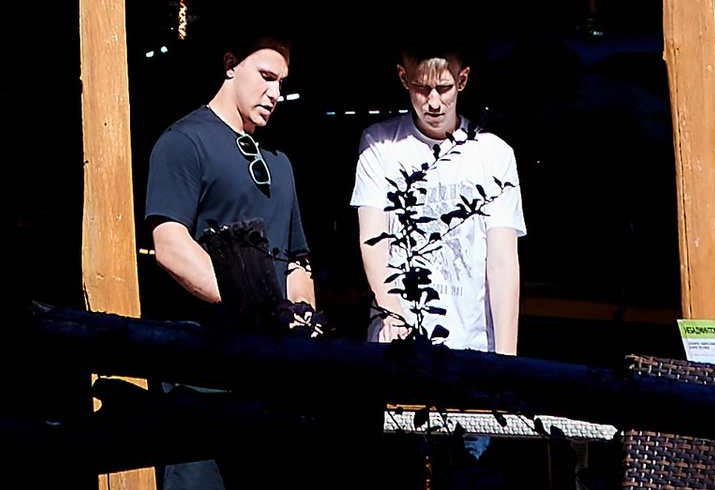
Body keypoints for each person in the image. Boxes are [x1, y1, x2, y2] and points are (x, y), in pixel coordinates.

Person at [143, 31, 318, 490]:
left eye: (282, 82)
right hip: (200, 374)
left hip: (271, 379)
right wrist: (252, 307)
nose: (275, 93)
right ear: (230, 64)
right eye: (266, 76)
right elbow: (170, 246)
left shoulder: (280, 163)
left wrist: (301, 323)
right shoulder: (184, 141)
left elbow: (298, 261)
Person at [351, 31, 524, 362]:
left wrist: (506, 361)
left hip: (471, 347)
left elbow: (503, 262)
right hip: (396, 348)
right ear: (403, 78)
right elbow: (372, 241)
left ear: (462, 80)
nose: (433, 102)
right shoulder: (379, 144)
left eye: (443, 88)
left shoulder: (494, 154)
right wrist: (394, 316)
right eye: (421, 87)